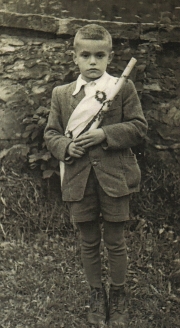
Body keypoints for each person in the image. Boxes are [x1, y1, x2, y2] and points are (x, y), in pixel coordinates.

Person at [44, 24, 148, 327]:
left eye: (99, 56)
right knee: (88, 241)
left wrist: (104, 133)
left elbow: (138, 128)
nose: (92, 62)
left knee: (115, 241)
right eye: (85, 55)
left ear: (109, 57)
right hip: (78, 179)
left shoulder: (121, 88)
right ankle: (96, 293)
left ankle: (118, 294)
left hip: (114, 179)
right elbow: (51, 134)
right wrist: (66, 146)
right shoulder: (62, 94)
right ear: (74, 57)